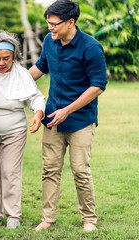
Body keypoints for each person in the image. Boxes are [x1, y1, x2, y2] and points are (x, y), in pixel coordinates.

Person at [28, 0, 107, 232]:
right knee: (49, 169)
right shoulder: (48, 42)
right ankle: (47, 218)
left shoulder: (91, 47)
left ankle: (89, 219)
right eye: (48, 24)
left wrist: (68, 110)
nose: (50, 28)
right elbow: (40, 68)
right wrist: (13, 82)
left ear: (70, 22)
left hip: (81, 119)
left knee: (80, 170)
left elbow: (98, 85)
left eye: (54, 24)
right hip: (53, 117)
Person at [0, 31, 45, 229]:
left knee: (10, 172)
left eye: (6, 58)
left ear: (14, 56)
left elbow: (36, 98)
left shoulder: (22, 74)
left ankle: (13, 216)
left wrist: (38, 114)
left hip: (14, 131)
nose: (1, 63)